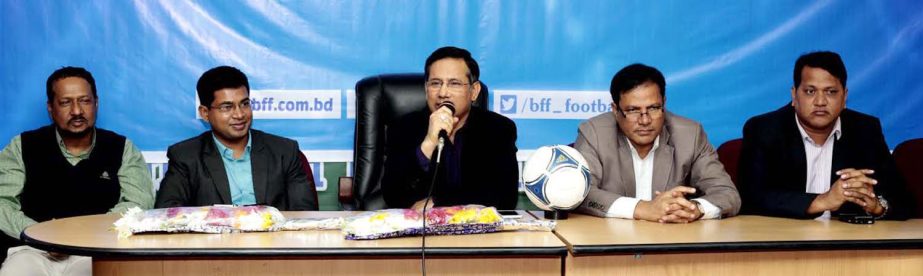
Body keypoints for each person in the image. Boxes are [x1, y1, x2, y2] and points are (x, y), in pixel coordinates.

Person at [0, 66, 154, 275]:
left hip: (96, 249)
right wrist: (40, 234)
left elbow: (137, 203)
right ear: (50, 108)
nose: (77, 111)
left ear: (96, 103)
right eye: (65, 102)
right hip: (34, 250)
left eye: (85, 101)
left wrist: (84, 234)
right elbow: (2, 202)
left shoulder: (121, 147)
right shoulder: (22, 145)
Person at [739, 51, 910, 220]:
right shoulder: (763, 129)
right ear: (794, 94)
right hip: (783, 238)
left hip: (846, 241)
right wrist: (822, 201)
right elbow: (751, 198)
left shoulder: (865, 130)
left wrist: (875, 206)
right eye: (810, 91)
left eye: (831, 92)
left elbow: (904, 202)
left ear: (845, 97)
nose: (820, 102)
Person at [575, 63, 740, 222]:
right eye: (633, 110)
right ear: (615, 110)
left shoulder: (690, 134)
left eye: (653, 108)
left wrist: (694, 209)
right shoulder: (594, 133)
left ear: (664, 103)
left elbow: (727, 194)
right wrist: (643, 209)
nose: (645, 120)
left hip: (670, 240)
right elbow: (581, 193)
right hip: (611, 239)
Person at [155, 66, 317, 211]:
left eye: (245, 104)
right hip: (215, 243)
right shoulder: (186, 156)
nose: (239, 114)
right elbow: (167, 213)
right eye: (227, 107)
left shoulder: (284, 151)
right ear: (205, 113)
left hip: (274, 243)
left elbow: (303, 214)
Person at [382, 46, 519, 210]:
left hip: (479, 231)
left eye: (454, 83)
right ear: (426, 89)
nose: (443, 93)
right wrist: (428, 143)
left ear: (474, 91)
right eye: (435, 83)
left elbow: (505, 197)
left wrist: (439, 202)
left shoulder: (498, 129)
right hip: (421, 230)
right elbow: (393, 195)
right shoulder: (404, 128)